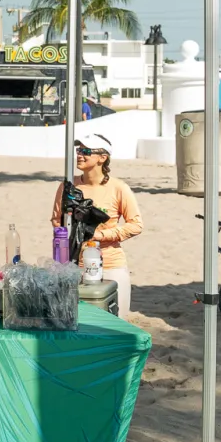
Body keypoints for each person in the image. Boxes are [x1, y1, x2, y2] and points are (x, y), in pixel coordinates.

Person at [51, 132, 143, 314]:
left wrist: (99, 236)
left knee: (117, 326)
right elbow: (56, 221)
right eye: (78, 150)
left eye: (86, 151)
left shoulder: (119, 188)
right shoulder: (68, 187)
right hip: (72, 267)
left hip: (110, 265)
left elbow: (136, 225)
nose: (79, 154)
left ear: (103, 157)